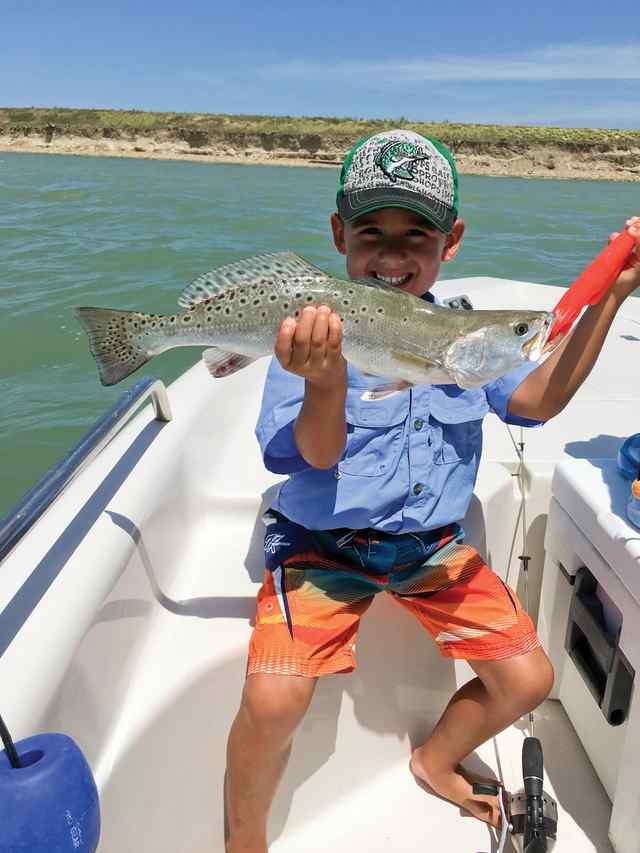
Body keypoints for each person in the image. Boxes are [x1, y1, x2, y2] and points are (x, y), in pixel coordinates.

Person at [224, 129, 640, 852]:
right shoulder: (311, 329)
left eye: (415, 234)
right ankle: (243, 839)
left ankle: (434, 758)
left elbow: (536, 400)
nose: (390, 254)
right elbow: (311, 455)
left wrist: (614, 296)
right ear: (338, 236)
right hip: (322, 546)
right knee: (270, 696)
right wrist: (325, 378)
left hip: (431, 549)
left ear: (450, 241)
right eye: (371, 232)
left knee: (530, 676)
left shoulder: (465, 330)